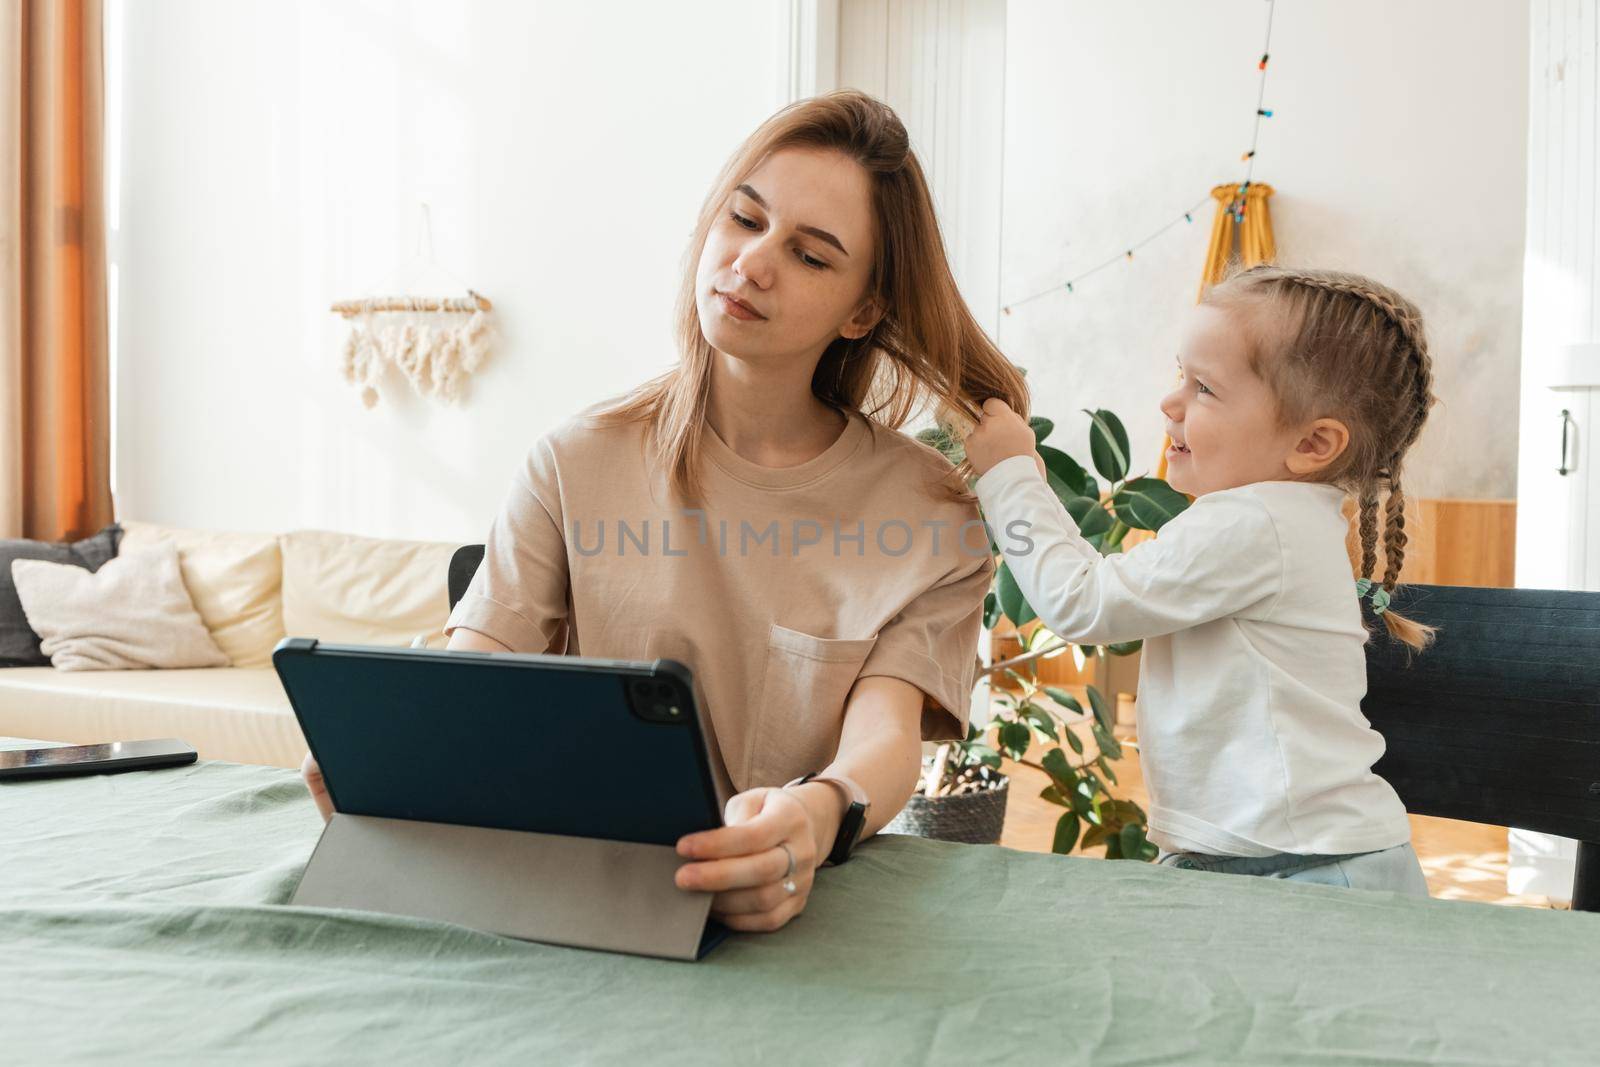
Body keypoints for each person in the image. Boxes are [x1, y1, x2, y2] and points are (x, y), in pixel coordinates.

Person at [303, 90, 1029, 931]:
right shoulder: (572, 462)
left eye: (811, 256)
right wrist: (403, 774)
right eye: (745, 218)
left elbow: (885, 738)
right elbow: (475, 679)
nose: (753, 263)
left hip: (795, 922)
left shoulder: (932, 512)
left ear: (863, 311)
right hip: (585, 905)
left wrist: (816, 816)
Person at [963, 266, 1436, 895]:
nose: (1171, 402)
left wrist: (1011, 476)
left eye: (1205, 387)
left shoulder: (1254, 522)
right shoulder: (1281, 518)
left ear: (1314, 442)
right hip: (1290, 862)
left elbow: (1080, 603)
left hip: (1303, 874)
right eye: (1179, 374)